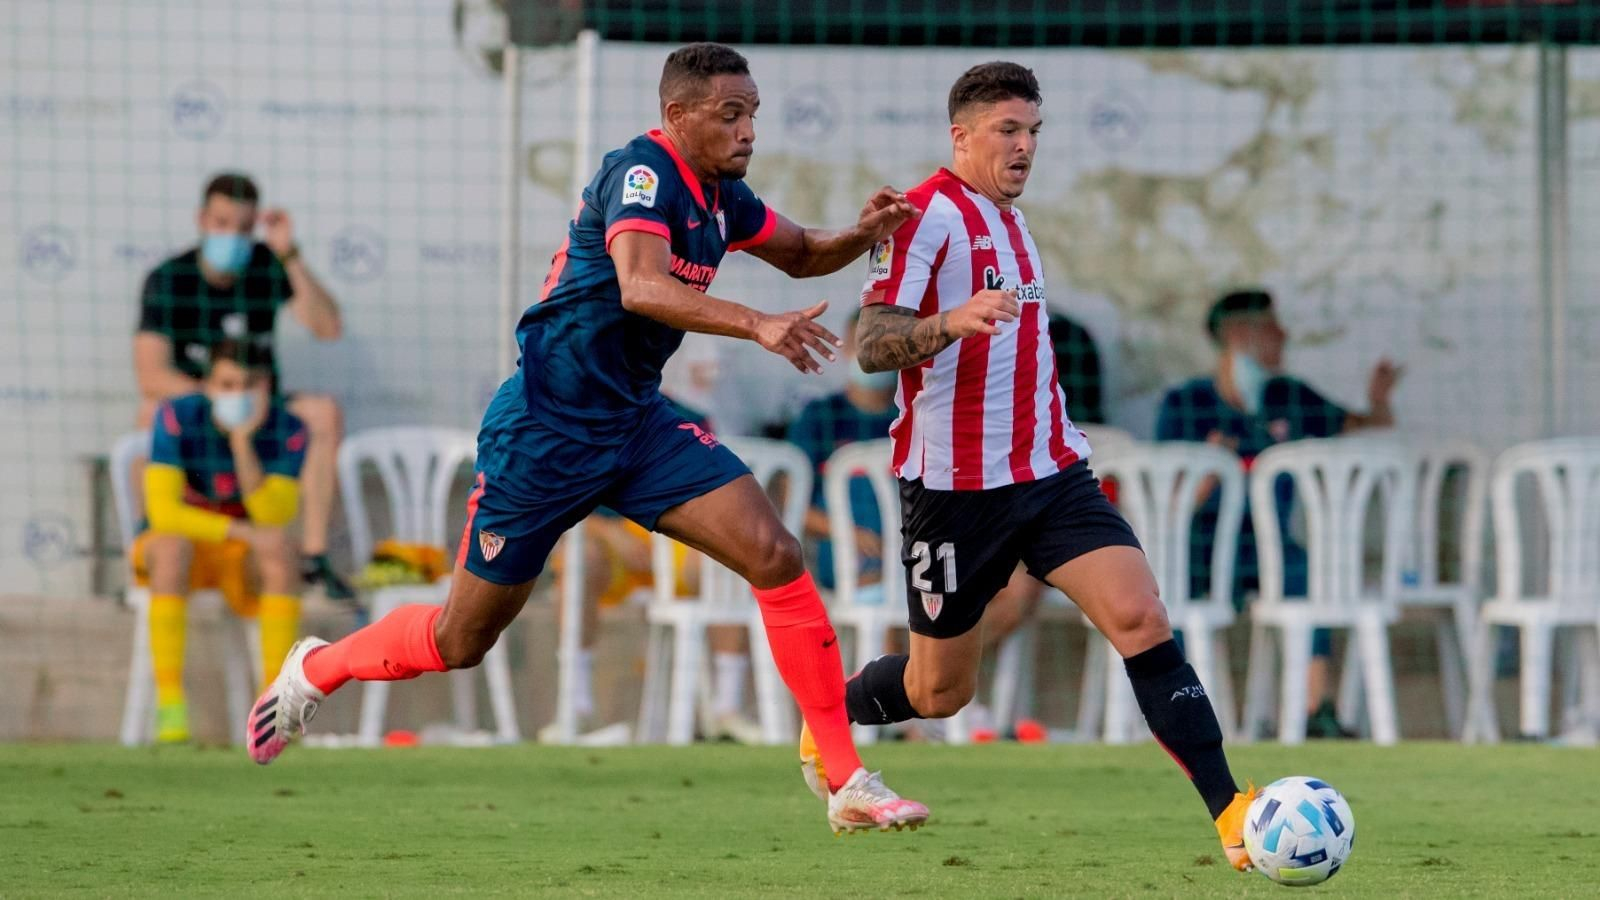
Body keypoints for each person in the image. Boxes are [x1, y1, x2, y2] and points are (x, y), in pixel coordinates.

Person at [246, 42, 929, 834]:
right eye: (730, 115)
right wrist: (755, 325)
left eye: (753, 115)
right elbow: (640, 286)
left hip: (636, 423)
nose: (748, 132)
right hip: (546, 431)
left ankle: (843, 775)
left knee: (775, 554)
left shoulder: (722, 194)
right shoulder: (640, 174)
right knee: (460, 637)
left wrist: (864, 231)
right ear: (678, 116)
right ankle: (316, 668)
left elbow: (804, 253)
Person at [832, 61, 1259, 870]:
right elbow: (871, 343)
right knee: (938, 693)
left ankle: (1232, 813)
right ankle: (828, 723)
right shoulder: (925, 216)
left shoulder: (1013, 222)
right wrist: (951, 321)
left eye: (1033, 132)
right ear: (961, 136)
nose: (1025, 147)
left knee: (1141, 618)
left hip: (1053, 473)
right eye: (1008, 131)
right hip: (955, 492)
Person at [1156, 288, 1402, 738]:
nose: (1283, 335)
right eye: (1272, 326)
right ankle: (1183, 712)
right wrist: (1209, 470)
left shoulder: (1289, 396)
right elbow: (1166, 506)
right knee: (1174, 594)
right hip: (1205, 547)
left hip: (1270, 547)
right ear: (1237, 334)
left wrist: (1379, 398)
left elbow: (1367, 427)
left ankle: (1316, 711)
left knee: (1308, 573)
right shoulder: (1185, 404)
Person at [135, 173, 353, 601]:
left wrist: (288, 253)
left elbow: (328, 327)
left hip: (263, 410)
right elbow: (150, 375)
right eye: (222, 223)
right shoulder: (169, 279)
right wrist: (218, 400)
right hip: (198, 411)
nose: (232, 236)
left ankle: (313, 556)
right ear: (202, 219)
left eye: (243, 227)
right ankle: (151, 538)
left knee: (323, 413)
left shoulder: (264, 264)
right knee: (148, 413)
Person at [545, 394, 764, 746]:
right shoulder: (582, 404)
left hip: (672, 535)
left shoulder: (692, 414)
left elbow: (707, 493)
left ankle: (727, 708)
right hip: (610, 540)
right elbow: (559, 492)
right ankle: (576, 707)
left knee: (727, 556)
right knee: (578, 557)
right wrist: (611, 532)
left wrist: (668, 527)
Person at [134, 340, 308, 743]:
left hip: (241, 558)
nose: (236, 394)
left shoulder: (289, 428)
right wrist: (237, 531)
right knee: (170, 545)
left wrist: (242, 443)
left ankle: (277, 709)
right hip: (182, 551)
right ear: (208, 386)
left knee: (281, 549)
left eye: (247, 385)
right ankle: (170, 705)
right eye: (226, 384)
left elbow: (273, 516)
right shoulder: (176, 417)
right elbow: (163, 513)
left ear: (265, 386)